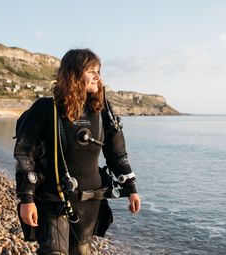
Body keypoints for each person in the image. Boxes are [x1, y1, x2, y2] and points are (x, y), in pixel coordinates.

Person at [14, 48, 141, 255]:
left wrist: (131, 188)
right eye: (91, 70)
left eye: (98, 71)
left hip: (90, 202)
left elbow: (117, 153)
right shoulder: (46, 108)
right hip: (53, 199)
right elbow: (24, 154)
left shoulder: (102, 112)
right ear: (73, 73)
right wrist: (26, 198)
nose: (97, 76)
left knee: (82, 251)